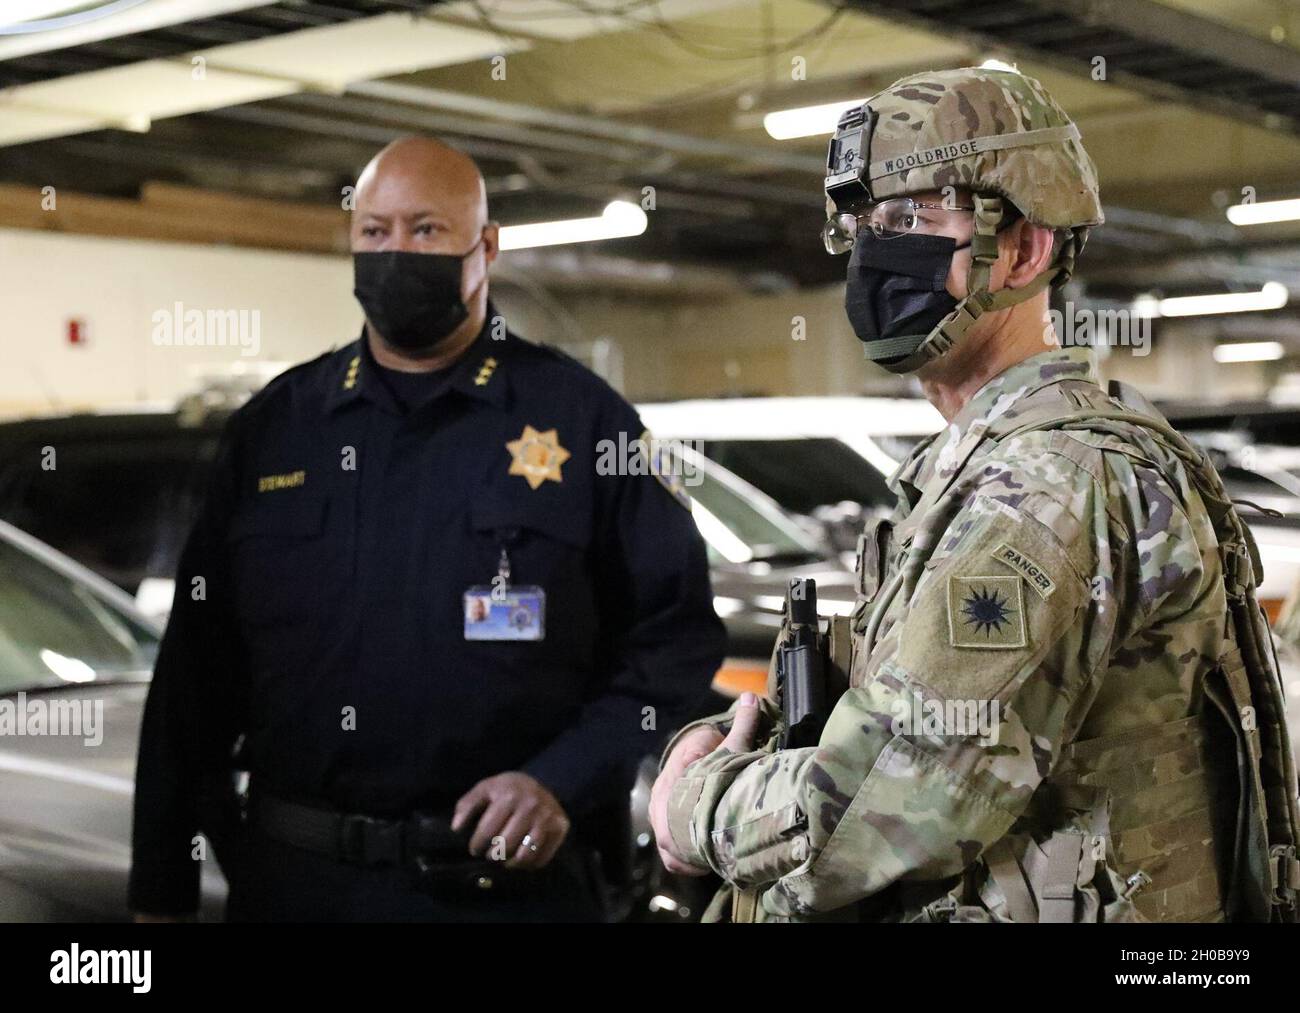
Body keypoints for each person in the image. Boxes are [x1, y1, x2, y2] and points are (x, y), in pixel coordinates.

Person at [650, 66, 1300, 923]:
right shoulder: (979, 466)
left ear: (1026, 249)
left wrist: (690, 804)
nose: (876, 251)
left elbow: (880, 807)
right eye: (865, 224)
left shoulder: (1047, 486)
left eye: (915, 218)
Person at [129, 136, 726, 922]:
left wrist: (564, 777)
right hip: (297, 886)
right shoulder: (280, 428)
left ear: (486, 247)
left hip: (505, 892)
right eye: (374, 232)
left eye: (424, 230)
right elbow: (192, 681)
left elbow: (674, 643)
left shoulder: (582, 421)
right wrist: (160, 890)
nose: (395, 251)